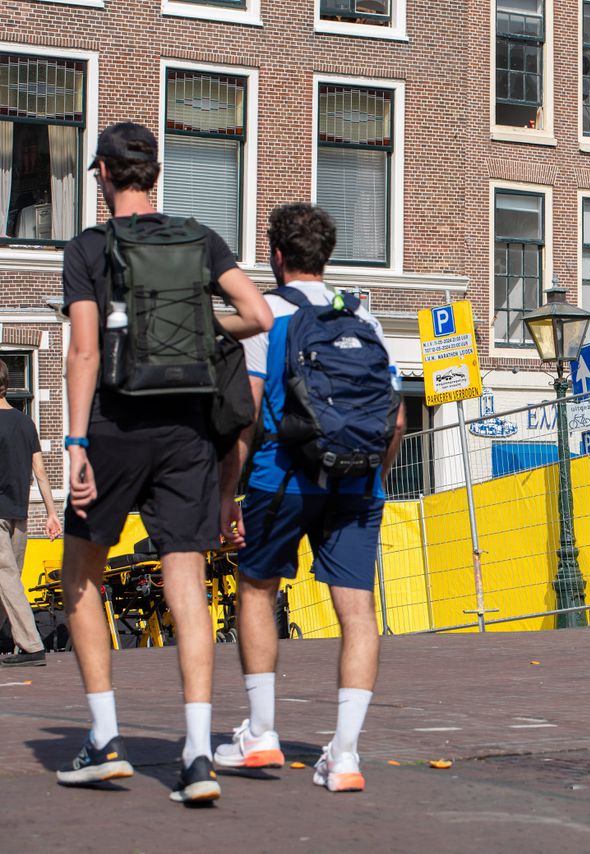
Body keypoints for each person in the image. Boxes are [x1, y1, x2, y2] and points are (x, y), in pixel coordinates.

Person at [57, 122, 272, 802]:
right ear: (155, 176)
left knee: (79, 574)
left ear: (103, 175)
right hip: (187, 429)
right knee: (187, 584)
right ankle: (198, 756)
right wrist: (196, 326)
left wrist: (75, 444)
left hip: (116, 423)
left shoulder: (89, 249)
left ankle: (103, 739)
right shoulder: (199, 238)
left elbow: (84, 351)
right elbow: (258, 313)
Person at [215, 202, 404, 794]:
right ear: (327, 257)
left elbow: (245, 418)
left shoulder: (264, 316)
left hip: (282, 479)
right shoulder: (363, 321)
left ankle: (262, 733)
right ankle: (344, 756)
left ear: (275, 255)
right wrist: (374, 481)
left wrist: (228, 495)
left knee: (256, 589)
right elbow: (395, 419)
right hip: (356, 485)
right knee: (358, 613)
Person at [0, 360, 62, 667]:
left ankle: (31, 644)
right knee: (7, 581)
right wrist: (52, 513)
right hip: (20, 517)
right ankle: (8, 637)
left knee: (5, 577)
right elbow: (41, 472)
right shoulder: (27, 423)